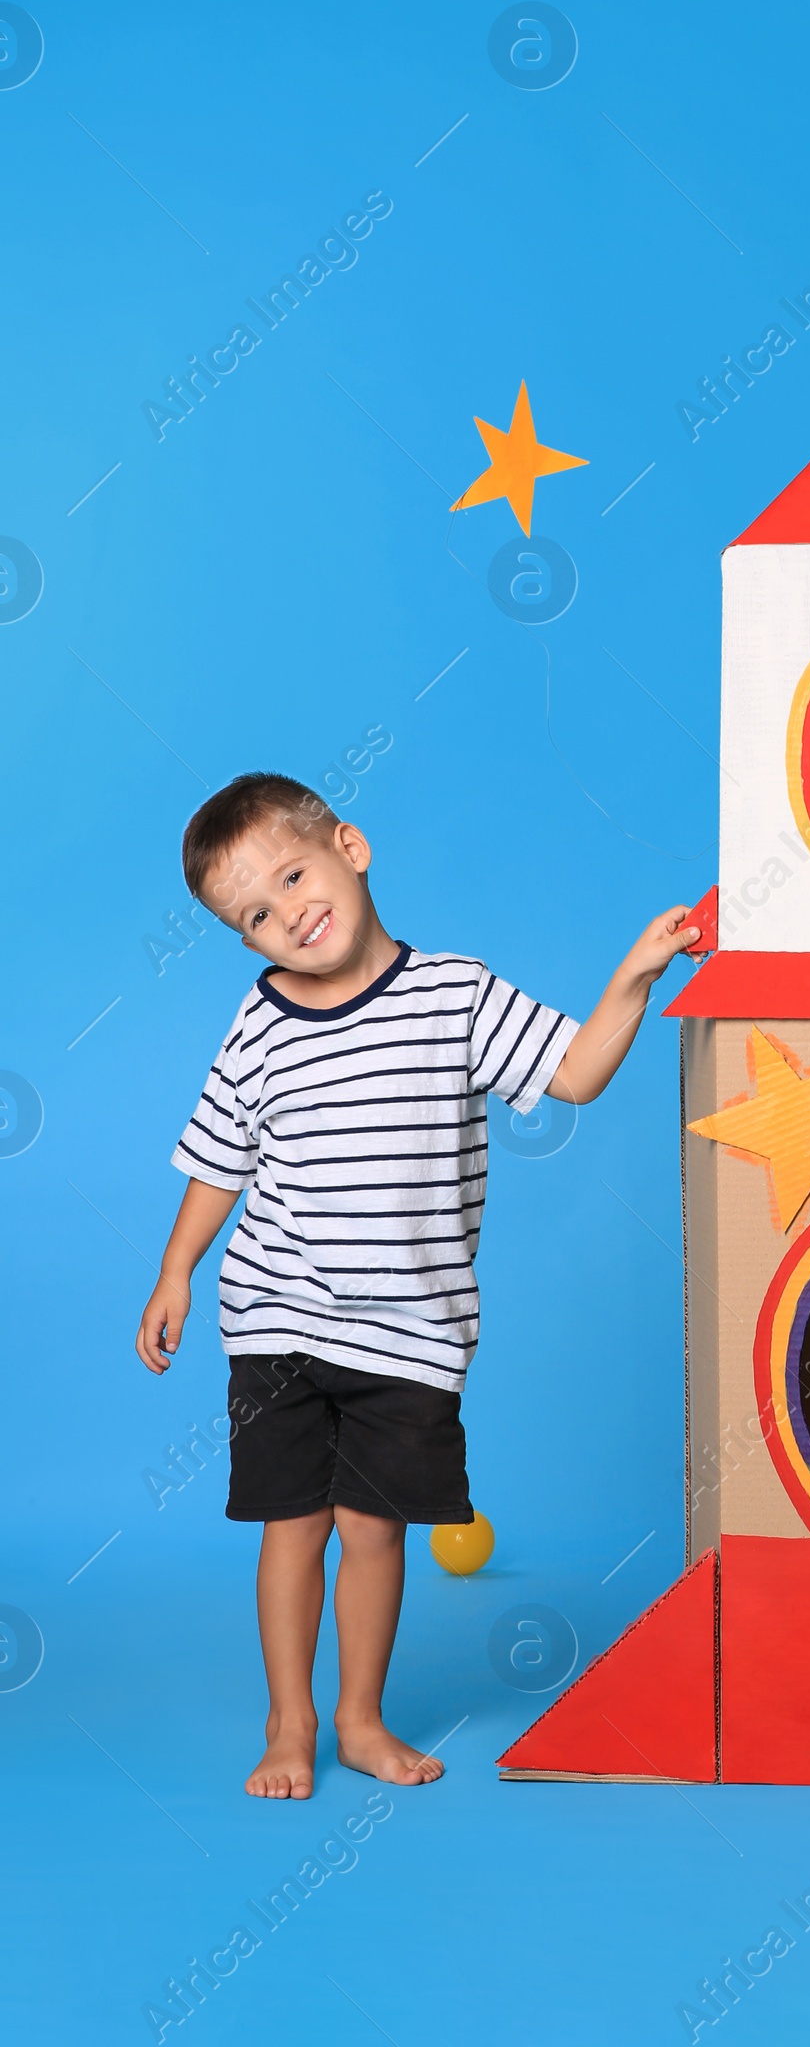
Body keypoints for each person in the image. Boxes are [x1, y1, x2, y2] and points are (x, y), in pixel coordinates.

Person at [135, 772, 700, 1801]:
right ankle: (289, 1719)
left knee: (375, 1526)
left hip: (411, 1332)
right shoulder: (257, 1027)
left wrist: (636, 973)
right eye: (255, 913)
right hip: (279, 1314)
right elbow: (220, 1156)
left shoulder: (455, 994)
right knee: (292, 1522)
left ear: (350, 847)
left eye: (295, 874)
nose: (288, 911)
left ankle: (358, 1718)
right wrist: (177, 1270)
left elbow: (571, 1072)